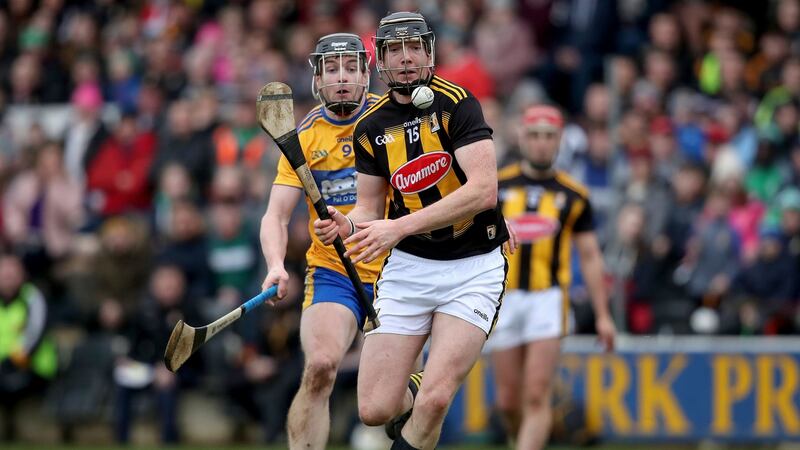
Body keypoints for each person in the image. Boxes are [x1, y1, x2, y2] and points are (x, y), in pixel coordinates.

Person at [314, 12, 510, 450]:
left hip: (474, 265)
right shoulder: (370, 127)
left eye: (414, 47)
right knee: (374, 410)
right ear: (381, 61)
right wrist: (347, 224)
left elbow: (484, 191)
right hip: (410, 267)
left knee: (436, 400)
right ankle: (418, 383)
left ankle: (429, 387)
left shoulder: (458, 103)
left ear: (428, 52)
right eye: (395, 50)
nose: (406, 58)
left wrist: (397, 227)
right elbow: (369, 208)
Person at [259, 33, 382, 450]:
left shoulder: (391, 119)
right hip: (335, 271)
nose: (341, 77)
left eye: (350, 68)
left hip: (399, 268)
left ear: (365, 74)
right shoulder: (305, 136)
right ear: (318, 78)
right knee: (321, 367)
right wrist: (276, 264)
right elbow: (276, 215)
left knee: (390, 402)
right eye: (332, 69)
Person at [486, 105, 616, 449]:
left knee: (536, 394)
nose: (541, 143)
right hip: (505, 298)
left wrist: (603, 315)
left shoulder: (574, 194)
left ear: (559, 140)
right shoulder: (497, 186)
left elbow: (590, 256)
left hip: (549, 299)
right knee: (507, 401)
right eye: (535, 135)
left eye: (548, 136)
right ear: (522, 137)